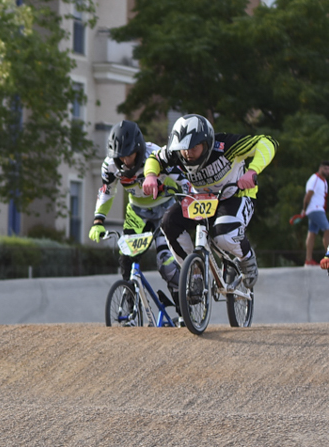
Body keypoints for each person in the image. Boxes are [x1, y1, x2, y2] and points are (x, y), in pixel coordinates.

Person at [142, 114, 277, 288]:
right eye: (183, 148)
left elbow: (267, 142)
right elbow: (155, 158)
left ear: (206, 144)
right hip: (202, 199)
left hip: (235, 195)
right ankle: (194, 271)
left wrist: (252, 171)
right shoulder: (176, 152)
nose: (187, 153)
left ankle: (246, 257)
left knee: (223, 236)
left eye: (193, 147)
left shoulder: (226, 145)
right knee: (168, 222)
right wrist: (150, 176)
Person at [88, 121, 185, 306]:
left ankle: (183, 307)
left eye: (129, 155)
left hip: (165, 207)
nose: (126, 161)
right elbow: (107, 191)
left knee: (167, 263)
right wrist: (98, 220)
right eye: (121, 157)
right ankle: (130, 307)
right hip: (136, 212)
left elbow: (182, 178)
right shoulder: (110, 166)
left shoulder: (156, 155)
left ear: (138, 148)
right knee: (127, 260)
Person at [300, 161, 329, 266]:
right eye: (325, 169)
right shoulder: (315, 178)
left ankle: (308, 260)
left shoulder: (324, 182)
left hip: (318, 209)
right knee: (327, 229)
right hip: (315, 209)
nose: (327, 171)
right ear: (320, 168)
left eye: (328, 169)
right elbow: (309, 194)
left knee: (312, 234)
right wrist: (304, 209)